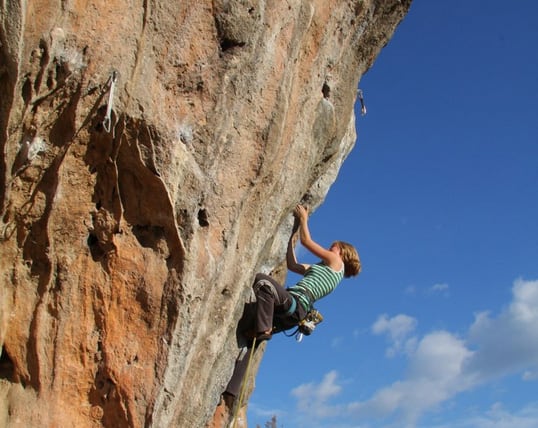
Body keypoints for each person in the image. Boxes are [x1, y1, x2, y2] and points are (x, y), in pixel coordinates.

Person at [250, 204, 361, 342]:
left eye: (333, 247)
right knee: (249, 326)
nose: (329, 249)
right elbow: (293, 265)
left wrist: (303, 218)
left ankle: (265, 329)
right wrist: (291, 240)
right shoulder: (323, 270)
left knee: (263, 282)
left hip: (297, 303)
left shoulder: (337, 261)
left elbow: (307, 241)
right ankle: (258, 332)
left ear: (342, 252)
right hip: (295, 313)